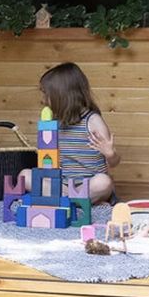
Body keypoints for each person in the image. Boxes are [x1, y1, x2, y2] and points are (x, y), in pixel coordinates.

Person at [25, 61, 119, 203]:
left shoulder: (93, 121)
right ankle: (71, 199)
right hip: (62, 185)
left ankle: (64, 200)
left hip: (88, 185)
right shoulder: (54, 121)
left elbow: (114, 162)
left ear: (62, 95)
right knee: (25, 176)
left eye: (47, 94)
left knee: (104, 182)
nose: (44, 100)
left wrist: (110, 154)